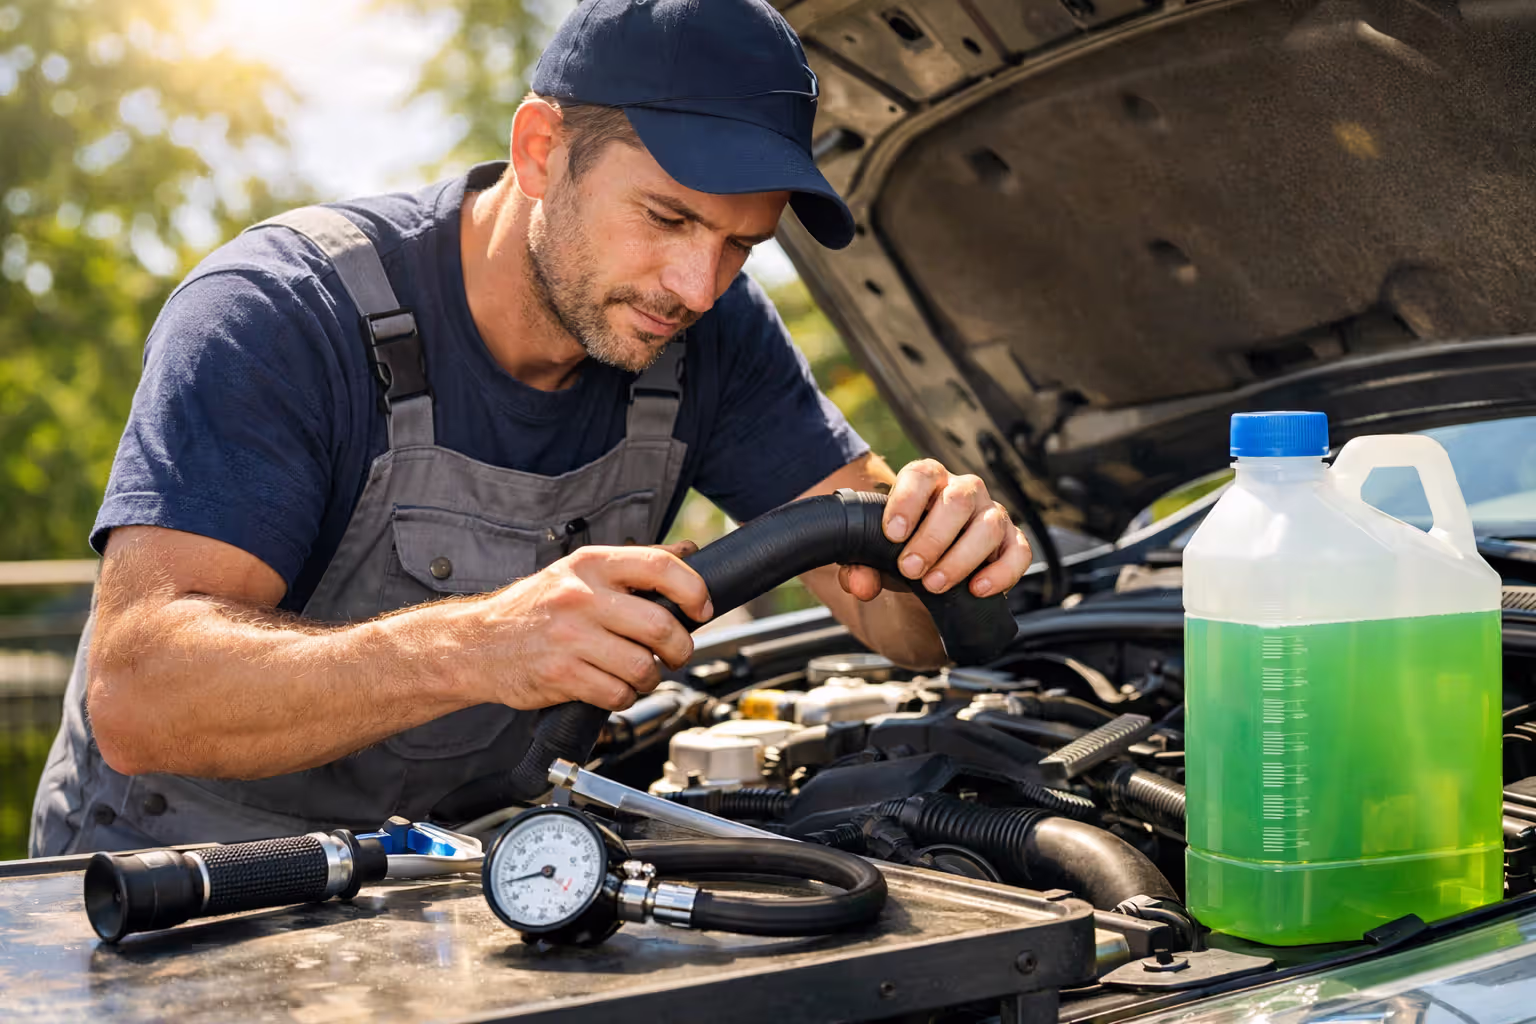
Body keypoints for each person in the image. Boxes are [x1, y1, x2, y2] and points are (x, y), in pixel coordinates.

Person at [30, 0, 1031, 855]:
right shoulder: (280, 312)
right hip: (170, 896)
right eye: (668, 218)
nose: (696, 285)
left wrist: (939, 547)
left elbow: (892, 619)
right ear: (541, 151)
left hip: (452, 894)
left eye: (740, 245)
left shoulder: (715, 336)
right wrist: (482, 644)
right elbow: (141, 693)